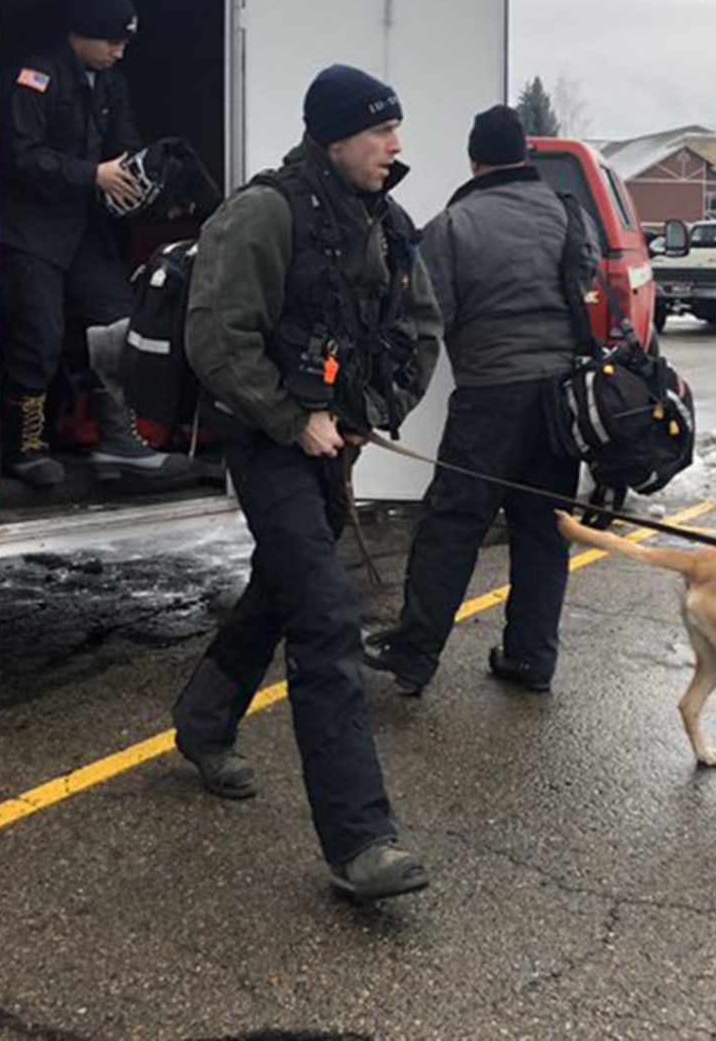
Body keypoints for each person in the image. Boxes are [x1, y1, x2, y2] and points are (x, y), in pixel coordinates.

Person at [173, 64, 443, 901]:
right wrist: (294, 420)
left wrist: (366, 409)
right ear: (334, 137)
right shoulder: (264, 213)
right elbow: (217, 340)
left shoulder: (387, 221)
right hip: (267, 442)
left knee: (286, 587)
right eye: (379, 133)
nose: (396, 147)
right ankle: (361, 842)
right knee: (326, 612)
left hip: (333, 441)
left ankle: (204, 721)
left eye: (396, 131)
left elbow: (419, 328)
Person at [363, 105, 597, 697]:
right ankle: (531, 659)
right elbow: (584, 279)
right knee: (543, 531)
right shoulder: (566, 214)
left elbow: (433, 313)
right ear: (525, 155)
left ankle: (414, 656)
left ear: (475, 159)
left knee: (452, 525)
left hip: (491, 395)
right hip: (559, 403)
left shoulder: (454, 225)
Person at [0, 0, 189, 488]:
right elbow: (18, 155)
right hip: (31, 232)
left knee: (120, 324)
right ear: (80, 32)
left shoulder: (112, 85)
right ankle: (24, 446)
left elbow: (123, 149)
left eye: (124, 43)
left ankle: (117, 441)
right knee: (36, 337)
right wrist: (91, 175)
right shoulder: (36, 75)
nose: (118, 52)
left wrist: (151, 186)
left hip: (87, 231)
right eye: (110, 42)